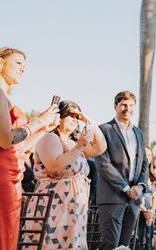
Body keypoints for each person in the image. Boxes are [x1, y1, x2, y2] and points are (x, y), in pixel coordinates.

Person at [0, 47, 60, 250]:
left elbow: (21, 146)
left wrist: (44, 128)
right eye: (18, 63)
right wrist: (39, 121)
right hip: (1, 177)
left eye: (25, 66)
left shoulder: (8, 99)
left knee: (10, 236)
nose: (23, 69)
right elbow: (5, 140)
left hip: (13, 177)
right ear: (0, 64)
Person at [29, 100, 107, 249]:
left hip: (75, 208)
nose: (74, 119)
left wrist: (89, 121)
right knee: (51, 244)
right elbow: (54, 167)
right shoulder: (51, 138)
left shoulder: (75, 142)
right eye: (70, 115)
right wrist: (79, 147)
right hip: (54, 206)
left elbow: (101, 147)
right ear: (60, 116)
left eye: (76, 117)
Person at [96, 91, 149, 250]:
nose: (128, 109)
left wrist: (140, 186)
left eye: (131, 105)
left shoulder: (138, 132)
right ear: (116, 106)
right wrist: (126, 188)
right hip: (112, 197)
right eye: (123, 105)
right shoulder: (104, 130)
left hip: (133, 199)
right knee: (110, 245)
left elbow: (144, 163)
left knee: (124, 246)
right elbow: (103, 164)